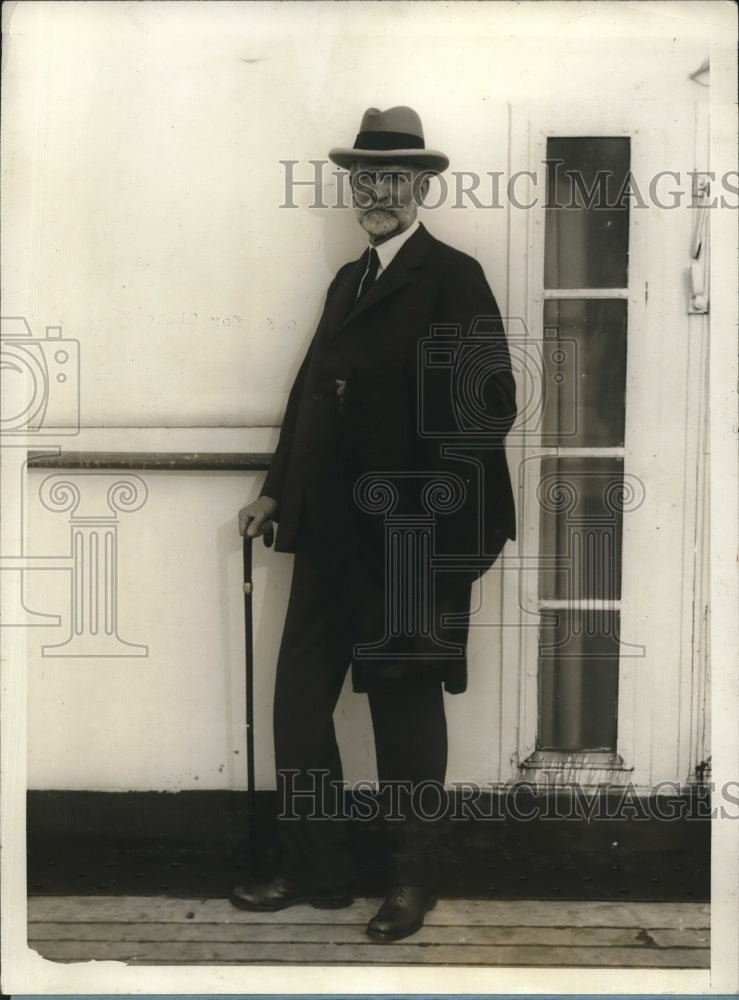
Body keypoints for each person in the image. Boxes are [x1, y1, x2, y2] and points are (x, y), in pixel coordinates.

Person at [230, 106, 517, 941]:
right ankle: (318, 870)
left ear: (423, 186)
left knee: (403, 711)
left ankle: (410, 884)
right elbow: (310, 395)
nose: (378, 192)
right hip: (328, 530)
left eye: (394, 177)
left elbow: (489, 403)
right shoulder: (347, 281)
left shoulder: (451, 276)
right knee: (298, 703)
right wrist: (277, 492)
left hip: (409, 539)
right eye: (365, 178)